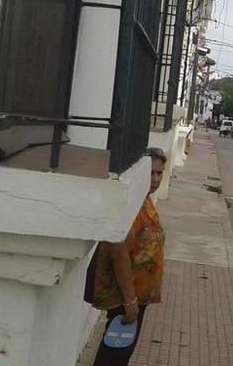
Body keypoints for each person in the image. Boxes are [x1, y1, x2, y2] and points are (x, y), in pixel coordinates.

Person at [89, 147, 167, 366]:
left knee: (120, 352)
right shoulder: (133, 206)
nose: (155, 179)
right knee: (115, 354)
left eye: (159, 173)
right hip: (124, 297)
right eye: (151, 173)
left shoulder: (145, 200)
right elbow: (119, 254)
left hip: (137, 296)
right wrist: (130, 301)